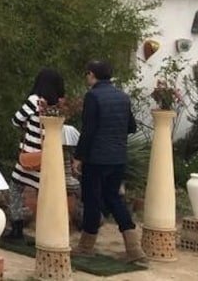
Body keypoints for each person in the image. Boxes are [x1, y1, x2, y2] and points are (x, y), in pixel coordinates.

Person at [72, 60, 146, 262]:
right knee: (114, 198)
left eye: (88, 74)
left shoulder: (93, 96)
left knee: (92, 200)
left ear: (92, 74)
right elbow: (131, 127)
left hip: (96, 158)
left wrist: (78, 157)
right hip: (118, 158)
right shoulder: (122, 97)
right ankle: (134, 249)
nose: (87, 77)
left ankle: (86, 246)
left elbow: (88, 131)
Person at [4, 68, 66, 240]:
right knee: (44, 194)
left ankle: (17, 229)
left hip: (29, 155)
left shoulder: (35, 101)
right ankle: (46, 232)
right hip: (48, 156)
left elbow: (16, 120)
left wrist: (26, 126)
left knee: (15, 188)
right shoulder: (59, 106)